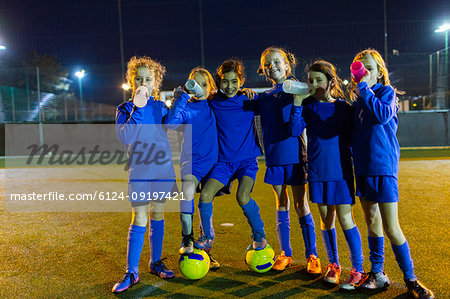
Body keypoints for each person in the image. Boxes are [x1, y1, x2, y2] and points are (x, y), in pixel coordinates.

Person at [350, 48, 434, 298]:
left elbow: (382, 114)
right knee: (372, 223)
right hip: (363, 169)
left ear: (379, 73)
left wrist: (364, 88)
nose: (364, 73)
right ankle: (378, 274)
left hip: (384, 168)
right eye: (360, 69)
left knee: (391, 226)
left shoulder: (386, 93)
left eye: (369, 69)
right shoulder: (358, 102)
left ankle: (411, 280)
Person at [291, 60, 366, 289]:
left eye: (319, 80)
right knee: (326, 220)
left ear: (331, 82)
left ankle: (358, 269)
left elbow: (355, 138)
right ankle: (333, 265)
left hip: (341, 172)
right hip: (317, 172)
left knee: (346, 219)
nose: (314, 84)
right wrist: (297, 103)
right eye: (311, 80)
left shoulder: (344, 108)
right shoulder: (307, 106)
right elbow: (295, 130)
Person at [253, 47, 321, 274]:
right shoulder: (264, 98)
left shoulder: (300, 90)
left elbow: (295, 130)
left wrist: (298, 101)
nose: (272, 66)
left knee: (302, 205)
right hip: (273, 158)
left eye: (276, 61)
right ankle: (286, 254)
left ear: (287, 64)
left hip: (296, 158)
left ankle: (312, 255)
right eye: (267, 64)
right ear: (263, 70)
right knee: (281, 204)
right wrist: (244, 93)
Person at [112, 56, 175, 293]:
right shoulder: (125, 109)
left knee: (157, 215)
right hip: (139, 172)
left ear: (155, 83)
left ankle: (155, 262)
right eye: (138, 78)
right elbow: (125, 137)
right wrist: (137, 107)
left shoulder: (160, 107)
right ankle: (131, 271)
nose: (143, 82)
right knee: (139, 218)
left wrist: (179, 103)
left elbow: (173, 125)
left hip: (163, 171)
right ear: (131, 81)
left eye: (148, 79)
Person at [194, 58, 268, 256]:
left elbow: (272, 104)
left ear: (242, 81)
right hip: (222, 163)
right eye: (225, 81)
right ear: (218, 83)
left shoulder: (248, 100)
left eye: (234, 81)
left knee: (243, 196)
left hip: (247, 162)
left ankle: (259, 235)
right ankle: (207, 237)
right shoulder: (212, 101)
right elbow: (196, 100)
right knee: (206, 195)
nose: (230, 86)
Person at [165, 67, 221, 268]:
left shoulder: (216, 104)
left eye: (204, 84)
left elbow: (233, 98)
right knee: (187, 193)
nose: (200, 88)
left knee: (206, 203)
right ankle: (187, 237)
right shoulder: (186, 107)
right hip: (192, 162)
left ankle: (207, 248)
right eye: (195, 83)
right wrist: (180, 98)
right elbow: (171, 125)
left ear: (211, 87)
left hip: (214, 162)